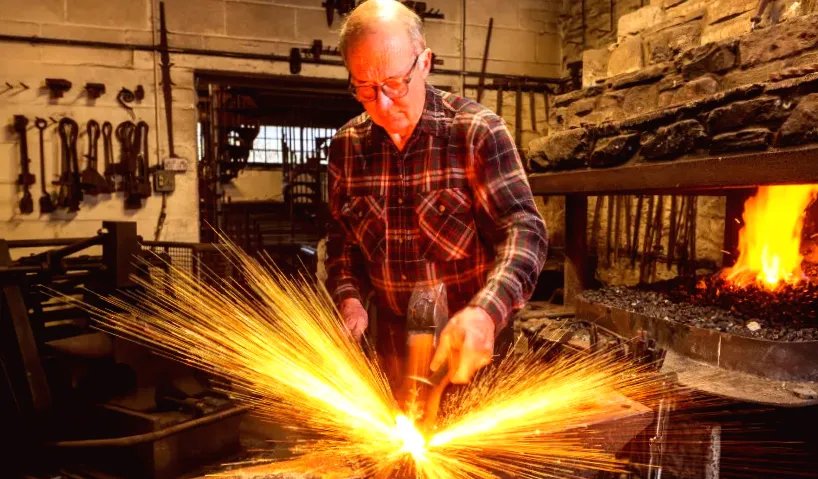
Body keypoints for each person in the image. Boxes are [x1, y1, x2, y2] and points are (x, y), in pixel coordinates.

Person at [325, 0, 548, 393]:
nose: (383, 103)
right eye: (365, 88)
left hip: (471, 345)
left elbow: (524, 231)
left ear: (424, 62)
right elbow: (343, 245)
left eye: (394, 83)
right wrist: (349, 299)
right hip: (390, 346)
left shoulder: (477, 130)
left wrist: (485, 313)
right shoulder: (347, 147)